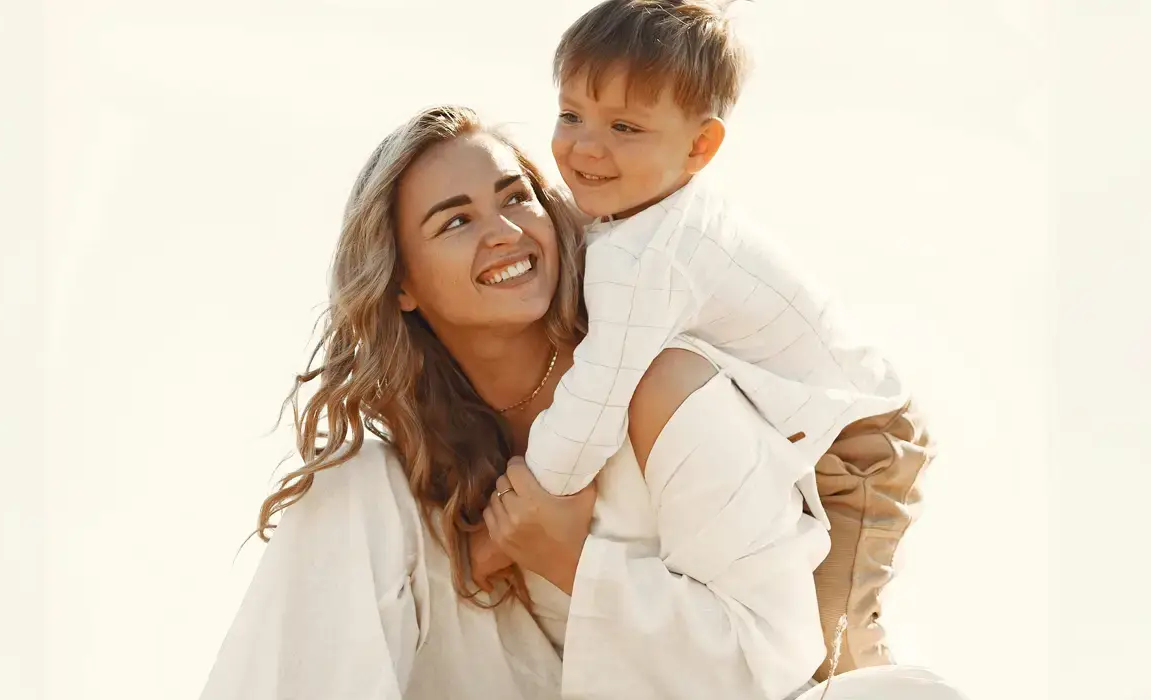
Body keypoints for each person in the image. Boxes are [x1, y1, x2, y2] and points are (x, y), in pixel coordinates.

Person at [200, 105, 844, 699]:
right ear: (402, 285)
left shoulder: (661, 388)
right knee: (349, 481)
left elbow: (778, 661)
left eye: (515, 198)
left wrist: (575, 563)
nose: (504, 231)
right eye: (455, 220)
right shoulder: (434, 460)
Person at [512, 0, 934, 677]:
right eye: (571, 116)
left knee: (835, 637)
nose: (586, 147)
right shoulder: (640, 213)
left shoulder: (647, 255)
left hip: (860, 443)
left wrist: (529, 493)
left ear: (700, 147)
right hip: (818, 419)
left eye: (624, 126)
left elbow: (596, 397)